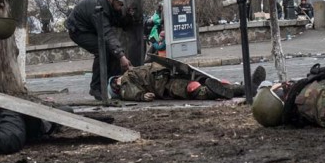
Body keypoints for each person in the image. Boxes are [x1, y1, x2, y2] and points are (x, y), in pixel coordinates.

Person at [65, 0, 133, 100]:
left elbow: (118, 22)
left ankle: (113, 85)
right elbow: (107, 34)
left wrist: (128, 17)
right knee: (103, 51)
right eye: (119, 2)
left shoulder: (111, 5)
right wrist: (122, 56)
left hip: (90, 29)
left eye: (122, 3)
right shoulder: (98, 9)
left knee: (112, 52)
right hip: (78, 31)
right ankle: (96, 88)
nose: (120, 5)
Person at [107, 62, 259, 102]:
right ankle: (243, 88)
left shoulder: (126, 78)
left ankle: (240, 88)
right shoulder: (127, 80)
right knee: (195, 85)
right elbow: (131, 93)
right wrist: (142, 96)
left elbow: (130, 92)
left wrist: (141, 96)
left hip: (164, 78)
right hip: (164, 78)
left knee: (196, 85)